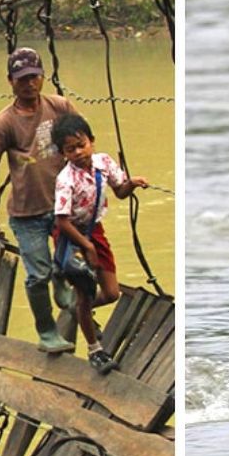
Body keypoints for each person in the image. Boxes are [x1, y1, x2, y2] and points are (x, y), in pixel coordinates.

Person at [0, 47, 79, 354]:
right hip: (27, 213)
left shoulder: (59, 106)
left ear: (42, 77)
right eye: (22, 79)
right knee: (37, 275)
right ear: (10, 81)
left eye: (34, 77)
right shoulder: (4, 123)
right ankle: (47, 332)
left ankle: (62, 280)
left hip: (63, 205)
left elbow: (82, 139)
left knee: (68, 262)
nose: (29, 84)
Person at [51, 114, 148, 374]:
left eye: (81, 144)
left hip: (95, 230)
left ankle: (77, 309)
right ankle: (95, 349)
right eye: (70, 149)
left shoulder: (103, 163)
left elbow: (119, 191)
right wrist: (88, 247)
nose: (78, 152)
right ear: (63, 153)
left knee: (111, 292)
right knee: (85, 290)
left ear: (91, 141)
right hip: (71, 236)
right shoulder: (65, 180)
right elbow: (61, 222)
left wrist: (132, 184)